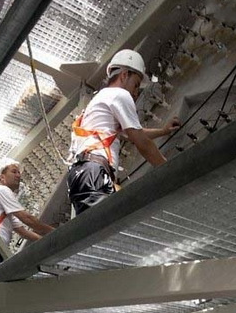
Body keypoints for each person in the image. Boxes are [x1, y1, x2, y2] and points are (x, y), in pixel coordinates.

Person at [67, 49, 181, 215]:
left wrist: (163, 131)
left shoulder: (101, 100)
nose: (136, 93)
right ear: (124, 75)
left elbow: (135, 133)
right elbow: (141, 142)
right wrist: (171, 170)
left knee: (111, 223)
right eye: (136, 85)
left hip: (81, 176)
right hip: (94, 172)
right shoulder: (119, 95)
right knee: (115, 223)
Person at [0, 158, 54, 278]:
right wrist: (54, 233)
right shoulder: (1, 190)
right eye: (14, 172)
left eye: (19, 173)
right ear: (1, 177)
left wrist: (45, 240)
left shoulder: (4, 207)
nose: (18, 175)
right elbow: (27, 218)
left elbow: (22, 231)